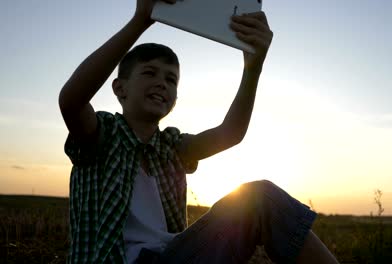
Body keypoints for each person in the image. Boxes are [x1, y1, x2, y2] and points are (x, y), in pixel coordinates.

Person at [59, 0, 339, 263]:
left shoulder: (172, 147)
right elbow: (71, 100)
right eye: (149, 73)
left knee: (260, 198)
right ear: (120, 88)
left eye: (171, 79)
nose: (161, 83)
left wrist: (253, 68)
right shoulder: (101, 133)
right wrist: (140, 20)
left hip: (174, 257)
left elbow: (231, 133)